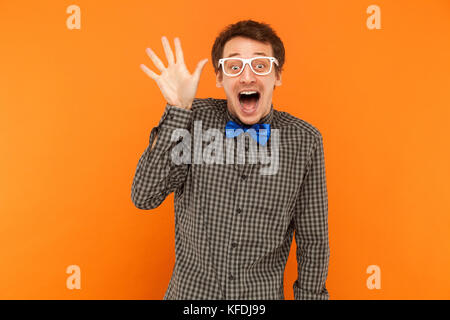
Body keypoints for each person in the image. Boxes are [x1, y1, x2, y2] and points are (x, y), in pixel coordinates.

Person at [131, 20, 330, 300]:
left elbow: (313, 241)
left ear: (277, 75)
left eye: (260, 65)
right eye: (234, 67)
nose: (247, 78)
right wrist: (177, 111)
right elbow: (144, 196)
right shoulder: (191, 117)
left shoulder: (305, 141)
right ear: (219, 78)